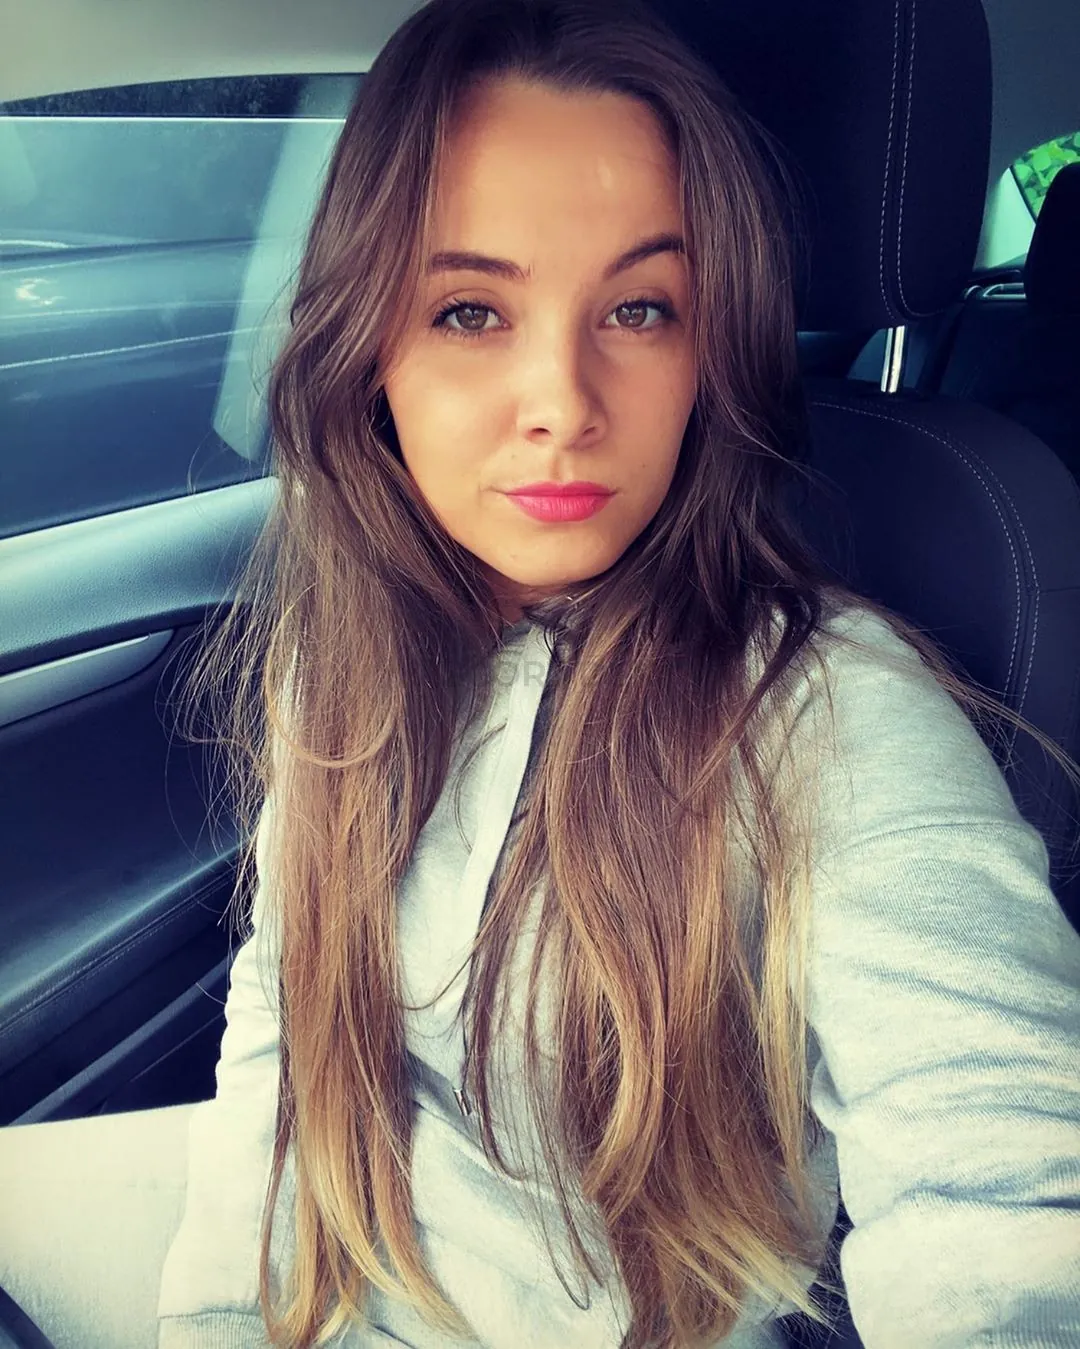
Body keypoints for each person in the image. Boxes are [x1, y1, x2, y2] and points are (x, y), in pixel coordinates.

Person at [2, 0, 1080, 1346]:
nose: (563, 401)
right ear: (369, 347)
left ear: (711, 350)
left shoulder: (832, 715)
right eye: (470, 310)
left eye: (638, 308)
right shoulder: (344, 657)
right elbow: (280, 1053)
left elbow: (1007, 1207)